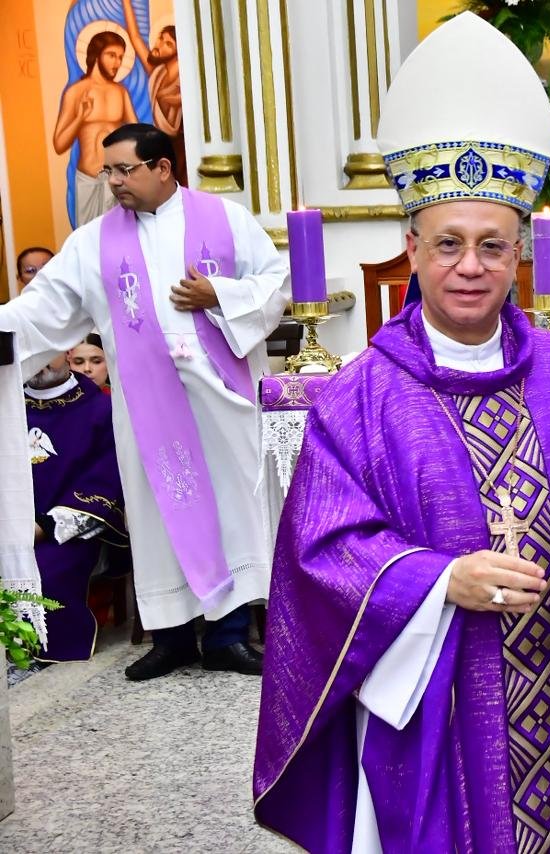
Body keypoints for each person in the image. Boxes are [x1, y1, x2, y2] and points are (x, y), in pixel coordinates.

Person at [252, 14, 550, 852]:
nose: (470, 266)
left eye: (492, 247)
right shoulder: (358, 398)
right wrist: (438, 580)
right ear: (413, 249)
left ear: (518, 253)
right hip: (439, 703)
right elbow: (321, 554)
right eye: (449, 244)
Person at [0, 122, 288, 680]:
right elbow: (44, 307)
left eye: (124, 169)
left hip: (218, 398)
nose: (113, 182)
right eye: (107, 170)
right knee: (157, 512)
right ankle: (172, 638)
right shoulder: (93, 241)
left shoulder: (225, 219)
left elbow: (274, 282)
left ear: (162, 168)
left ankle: (228, 637)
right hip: (144, 405)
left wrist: (220, 294)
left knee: (228, 509)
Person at [26, 353, 127, 661]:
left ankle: (30, 655)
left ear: (65, 351)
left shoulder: (100, 409)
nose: (38, 358)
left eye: (47, 349)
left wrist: (43, 527)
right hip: (11, 526)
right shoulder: (8, 405)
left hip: (68, 530)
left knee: (44, 574)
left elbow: (105, 480)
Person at [52, 29, 138, 226]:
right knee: (88, 237)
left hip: (117, 178)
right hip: (88, 179)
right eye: (111, 55)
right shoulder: (76, 92)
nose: (117, 62)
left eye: (120, 57)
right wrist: (80, 117)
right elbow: (59, 144)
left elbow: (137, 135)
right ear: (96, 55)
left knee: (120, 235)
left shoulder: (120, 92)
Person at [122, 3, 185, 186]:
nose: (159, 46)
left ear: (178, 52)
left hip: (184, 150)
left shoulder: (186, 79)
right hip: (164, 148)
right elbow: (135, 36)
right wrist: (126, 2)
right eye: (161, 39)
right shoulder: (157, 73)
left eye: (168, 44)